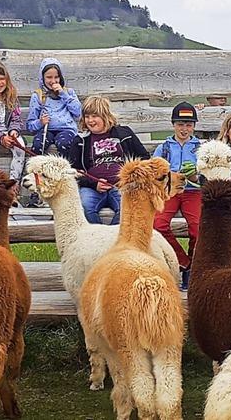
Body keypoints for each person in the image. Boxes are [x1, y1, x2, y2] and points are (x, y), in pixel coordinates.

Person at [69, 96, 149, 224]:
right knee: (84, 207)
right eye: (87, 116)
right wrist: (93, 183)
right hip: (91, 187)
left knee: (127, 208)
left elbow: (144, 158)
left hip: (122, 186)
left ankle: (113, 239)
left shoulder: (125, 133)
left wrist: (129, 179)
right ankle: (97, 239)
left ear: (105, 115)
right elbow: (73, 171)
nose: (90, 120)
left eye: (94, 116)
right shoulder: (80, 140)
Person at [153, 102, 201, 290]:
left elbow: (205, 175)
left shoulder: (200, 147)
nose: (184, 129)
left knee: (197, 228)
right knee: (158, 224)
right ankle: (184, 262)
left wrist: (195, 175)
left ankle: (194, 268)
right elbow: (155, 172)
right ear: (173, 125)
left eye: (188, 125)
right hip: (169, 192)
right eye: (180, 124)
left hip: (193, 192)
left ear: (194, 127)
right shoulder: (163, 147)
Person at [27, 57, 81, 156]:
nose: (53, 81)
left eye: (56, 77)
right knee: (38, 144)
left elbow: (77, 112)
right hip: (46, 130)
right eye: (49, 77)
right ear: (42, 78)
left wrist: (62, 94)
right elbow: (30, 125)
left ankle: (66, 169)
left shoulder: (69, 93)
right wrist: (40, 122)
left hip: (66, 130)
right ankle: (38, 170)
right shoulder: (38, 95)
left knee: (64, 144)